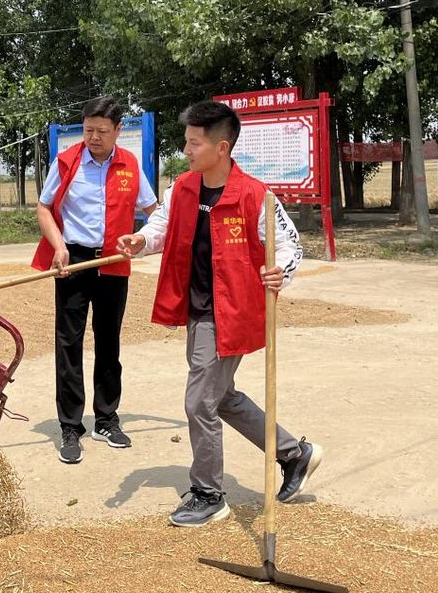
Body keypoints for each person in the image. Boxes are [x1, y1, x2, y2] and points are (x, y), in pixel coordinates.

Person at [116, 100, 322, 527]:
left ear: (221, 147)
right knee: (220, 396)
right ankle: (293, 453)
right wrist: (141, 240)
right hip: (198, 309)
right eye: (186, 141)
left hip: (231, 312)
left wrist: (279, 271)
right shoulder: (183, 189)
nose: (186, 151)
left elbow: (289, 246)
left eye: (194, 143)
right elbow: (161, 227)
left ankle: (208, 494)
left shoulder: (255, 195)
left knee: (199, 402)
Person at [33, 96, 157, 464]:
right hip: (73, 261)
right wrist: (58, 247)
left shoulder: (129, 164)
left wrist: (144, 238)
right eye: (89, 130)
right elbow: (44, 207)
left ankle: (106, 419)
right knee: (68, 343)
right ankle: (70, 426)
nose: (95, 137)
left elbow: (153, 210)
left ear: (118, 130)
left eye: (103, 131)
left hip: (114, 261)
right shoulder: (66, 162)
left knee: (109, 342)